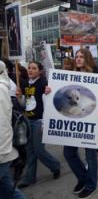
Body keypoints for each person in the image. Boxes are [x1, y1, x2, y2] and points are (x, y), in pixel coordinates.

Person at [62, 48, 98, 198]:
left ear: (88, 59)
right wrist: (49, 90)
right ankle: (83, 177)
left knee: (90, 155)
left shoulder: (97, 76)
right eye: (76, 56)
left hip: (92, 120)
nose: (78, 59)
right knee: (68, 152)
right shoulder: (69, 75)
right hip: (73, 121)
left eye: (81, 56)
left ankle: (91, 184)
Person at [17, 62, 61, 188]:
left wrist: (49, 90)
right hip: (27, 120)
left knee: (39, 150)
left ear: (40, 71)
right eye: (29, 68)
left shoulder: (43, 83)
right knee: (30, 151)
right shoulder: (24, 83)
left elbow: (50, 99)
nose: (30, 70)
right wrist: (20, 97)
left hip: (39, 121)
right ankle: (30, 177)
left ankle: (55, 165)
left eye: (34, 68)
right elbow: (23, 105)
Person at [0, 61, 26, 199]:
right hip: (5, 151)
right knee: (7, 189)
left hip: (2, 151)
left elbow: (2, 125)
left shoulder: (2, 89)